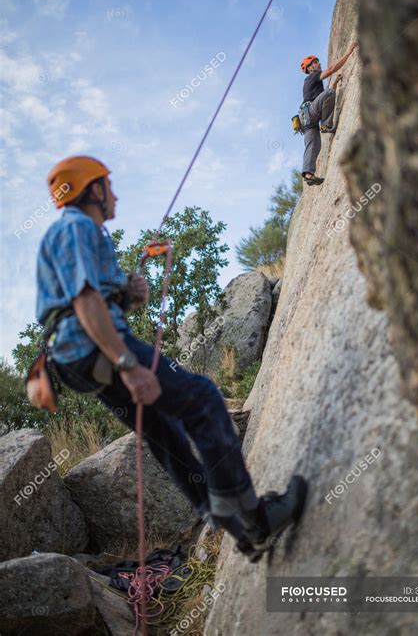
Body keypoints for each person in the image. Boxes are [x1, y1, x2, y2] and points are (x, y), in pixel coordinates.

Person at [35, 155, 307, 562]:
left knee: (163, 433)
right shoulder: (78, 227)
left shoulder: (73, 234)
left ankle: (236, 526)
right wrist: (129, 365)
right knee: (202, 399)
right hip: (96, 350)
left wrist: (130, 295)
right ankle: (253, 516)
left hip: (78, 360)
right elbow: (86, 301)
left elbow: (92, 302)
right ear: (92, 190)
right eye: (108, 185)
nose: (116, 194)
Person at [299, 42, 358, 185]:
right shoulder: (312, 76)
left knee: (313, 145)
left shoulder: (312, 83)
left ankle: (308, 174)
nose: (318, 64)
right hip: (310, 113)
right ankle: (325, 125)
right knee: (330, 93)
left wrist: (335, 83)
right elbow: (331, 69)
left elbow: (322, 98)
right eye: (315, 63)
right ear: (310, 68)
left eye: (318, 62)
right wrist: (349, 52)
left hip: (306, 120)